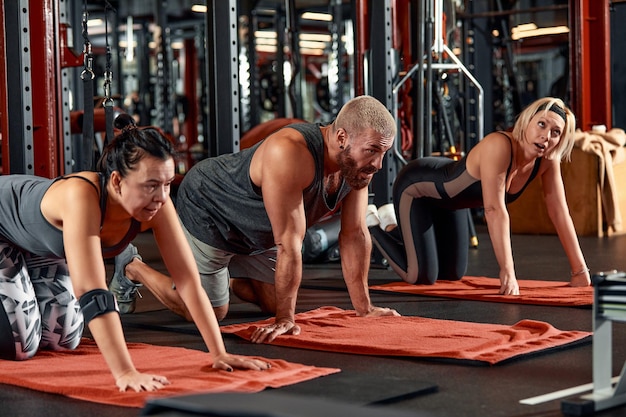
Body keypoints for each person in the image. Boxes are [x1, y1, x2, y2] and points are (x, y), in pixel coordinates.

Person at [0, 114, 270, 393]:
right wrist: (125, 372)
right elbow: (92, 290)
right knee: (22, 344)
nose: (162, 196)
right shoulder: (81, 197)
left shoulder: (157, 204)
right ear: (117, 182)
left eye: (167, 184)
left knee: (63, 337)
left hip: (37, 247)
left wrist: (219, 353)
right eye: (151, 185)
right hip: (2, 229)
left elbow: (188, 281)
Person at [110, 95, 401, 344]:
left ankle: (230, 276)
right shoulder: (291, 152)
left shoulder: (356, 167)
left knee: (276, 301)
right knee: (213, 311)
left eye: (384, 152)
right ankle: (133, 266)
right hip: (211, 208)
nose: (377, 163)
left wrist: (365, 308)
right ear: (342, 138)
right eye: (372, 150)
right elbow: (289, 243)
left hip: (257, 232)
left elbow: (354, 234)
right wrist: (285, 320)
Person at [368, 97, 591, 295]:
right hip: (417, 188)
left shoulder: (547, 160)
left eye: (555, 132)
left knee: (451, 274)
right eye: (541, 124)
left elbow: (559, 212)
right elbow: (494, 210)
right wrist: (508, 272)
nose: (546, 136)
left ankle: (392, 223)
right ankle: (372, 223)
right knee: (421, 276)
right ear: (527, 121)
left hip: (450, 205)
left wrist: (579, 271)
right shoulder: (500, 145)